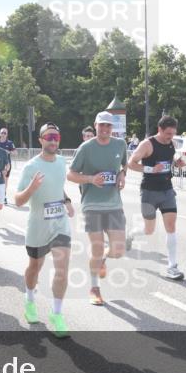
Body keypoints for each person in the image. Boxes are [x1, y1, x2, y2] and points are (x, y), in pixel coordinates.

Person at [15, 123, 75, 338]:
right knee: (34, 268)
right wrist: (31, 188)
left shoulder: (60, 161)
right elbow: (18, 200)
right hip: (38, 226)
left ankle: (56, 314)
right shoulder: (31, 166)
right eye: (48, 136)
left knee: (61, 271)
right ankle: (29, 299)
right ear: (40, 140)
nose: (53, 140)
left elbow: (58, 185)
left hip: (60, 224)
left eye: (56, 137)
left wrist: (66, 200)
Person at [67, 111, 128, 306]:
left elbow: (124, 166)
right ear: (95, 125)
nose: (104, 129)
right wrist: (91, 179)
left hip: (114, 204)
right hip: (92, 204)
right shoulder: (86, 148)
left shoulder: (120, 145)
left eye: (108, 126)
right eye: (101, 125)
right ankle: (94, 288)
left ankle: (102, 260)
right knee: (97, 247)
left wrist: (122, 175)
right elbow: (71, 175)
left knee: (118, 250)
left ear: (112, 128)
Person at [126, 115, 186, 280]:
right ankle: (131, 235)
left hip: (167, 191)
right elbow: (131, 163)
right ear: (160, 129)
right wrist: (151, 169)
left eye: (173, 134)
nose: (170, 137)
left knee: (171, 227)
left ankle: (172, 267)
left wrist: (177, 164)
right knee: (149, 230)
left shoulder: (171, 144)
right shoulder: (147, 144)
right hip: (149, 192)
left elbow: (169, 162)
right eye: (168, 133)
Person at [0, 128, 16, 204]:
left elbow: (15, 152)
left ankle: (4, 196)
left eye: (5, 133)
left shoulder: (10, 143)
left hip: (6, 164)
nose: (3, 134)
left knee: (5, 180)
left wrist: (8, 151)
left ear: (7, 134)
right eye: (2, 133)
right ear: (0, 134)